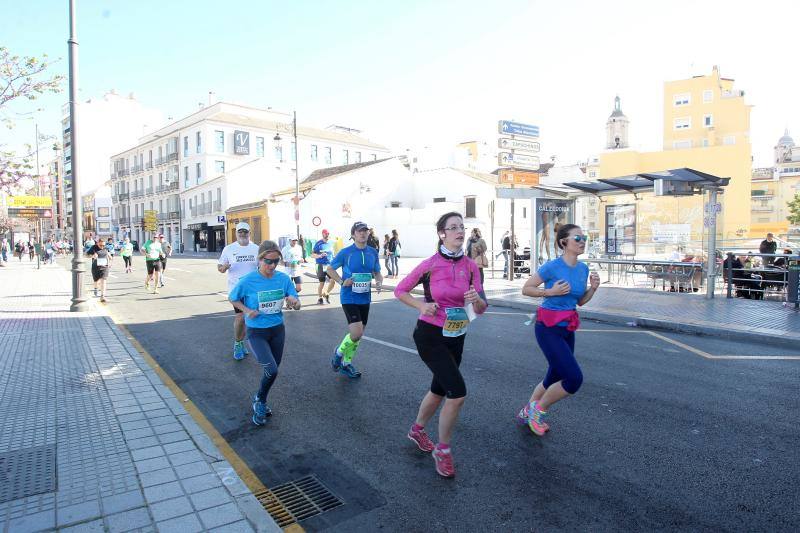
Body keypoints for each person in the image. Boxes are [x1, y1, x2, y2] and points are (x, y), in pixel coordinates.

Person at [394, 212, 487, 478]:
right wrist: (422, 305)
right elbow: (400, 290)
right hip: (430, 335)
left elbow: (481, 306)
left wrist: (475, 300)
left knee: (438, 389)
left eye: (462, 227)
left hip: (457, 334)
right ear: (442, 234)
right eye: (453, 227)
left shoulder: (470, 266)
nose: (460, 231)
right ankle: (443, 450)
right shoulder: (430, 264)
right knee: (457, 393)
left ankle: (417, 430)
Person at [517, 224, 600, 436]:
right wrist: (550, 291)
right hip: (547, 328)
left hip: (567, 327)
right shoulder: (552, 267)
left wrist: (593, 289)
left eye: (584, 238)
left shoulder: (583, 269)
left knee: (553, 376)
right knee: (573, 378)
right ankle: (538, 410)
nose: (582, 242)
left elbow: (579, 301)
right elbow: (527, 288)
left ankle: (528, 410)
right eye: (577, 238)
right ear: (564, 242)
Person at [229, 240, 300, 426]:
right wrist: (246, 311)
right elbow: (233, 298)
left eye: (276, 261)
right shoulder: (248, 280)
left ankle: (260, 398)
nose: (272, 265)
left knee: (272, 372)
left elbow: (296, 302)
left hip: (277, 330)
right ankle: (260, 401)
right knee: (272, 369)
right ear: (259, 260)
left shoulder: (283, 279)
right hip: (256, 331)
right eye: (268, 261)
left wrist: (294, 301)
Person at [326, 221, 383, 378]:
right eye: (359, 231)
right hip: (349, 297)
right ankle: (338, 353)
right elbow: (330, 269)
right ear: (353, 235)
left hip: (365, 297)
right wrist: (341, 281)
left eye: (365, 231)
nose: (363, 233)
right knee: (356, 333)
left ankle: (346, 364)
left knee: (358, 335)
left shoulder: (373, 252)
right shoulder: (346, 252)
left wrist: (379, 281)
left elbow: (377, 272)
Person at [218, 222, 260, 360]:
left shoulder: (256, 248)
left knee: (249, 318)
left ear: (249, 233)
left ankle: (241, 342)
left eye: (245, 232)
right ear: (236, 233)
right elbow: (220, 267)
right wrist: (223, 267)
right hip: (236, 289)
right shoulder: (229, 249)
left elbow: (262, 267)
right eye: (240, 232)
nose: (242, 234)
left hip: (252, 290)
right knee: (240, 317)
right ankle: (237, 343)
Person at [312, 229, 336, 305]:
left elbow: (332, 254)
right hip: (319, 266)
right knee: (322, 283)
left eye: (328, 233)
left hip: (329, 265)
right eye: (326, 233)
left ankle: (326, 293)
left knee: (333, 281)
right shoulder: (318, 244)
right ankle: (320, 298)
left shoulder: (331, 243)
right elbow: (312, 255)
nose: (327, 235)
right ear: (323, 234)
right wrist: (319, 255)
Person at [88, 238, 112, 302]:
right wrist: (92, 256)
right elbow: (86, 255)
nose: (102, 247)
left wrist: (110, 262)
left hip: (104, 267)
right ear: (97, 243)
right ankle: (95, 288)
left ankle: (102, 296)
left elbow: (109, 256)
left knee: (103, 280)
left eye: (103, 245)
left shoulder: (106, 248)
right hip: (95, 267)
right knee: (96, 281)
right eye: (101, 245)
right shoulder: (94, 247)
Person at [280, 236, 304, 301]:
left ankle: (290, 297)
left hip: (297, 271)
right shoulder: (285, 249)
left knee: (299, 288)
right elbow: (280, 261)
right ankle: (289, 302)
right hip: (288, 272)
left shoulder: (299, 248)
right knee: (288, 289)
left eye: (296, 240)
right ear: (289, 240)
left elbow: (300, 258)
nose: (294, 242)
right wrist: (287, 264)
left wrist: (301, 260)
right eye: (293, 240)